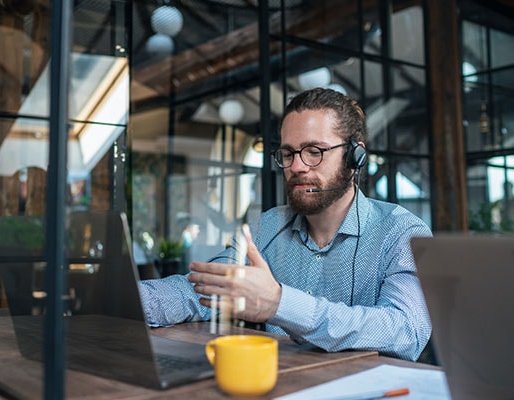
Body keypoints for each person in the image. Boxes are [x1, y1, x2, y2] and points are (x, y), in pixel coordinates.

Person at [139, 88, 432, 362]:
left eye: (314, 151)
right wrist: (128, 297)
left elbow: (404, 331)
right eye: (289, 153)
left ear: (355, 156)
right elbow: (203, 289)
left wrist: (279, 303)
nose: (297, 167)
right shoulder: (268, 227)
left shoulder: (401, 233)